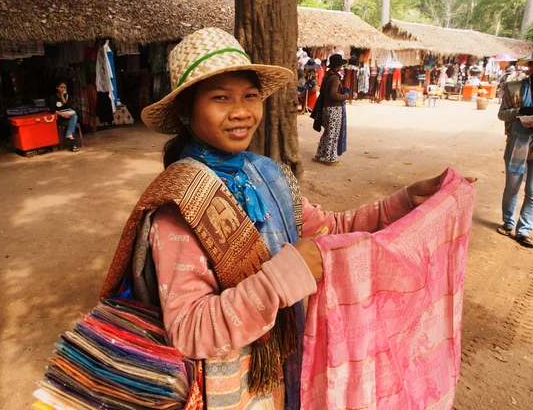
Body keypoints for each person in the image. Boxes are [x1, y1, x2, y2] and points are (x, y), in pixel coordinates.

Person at [100, 27, 466, 409]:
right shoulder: (178, 209)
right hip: (230, 386)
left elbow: (330, 228)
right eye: (220, 98)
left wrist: (405, 201)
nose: (241, 111)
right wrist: (284, 277)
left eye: (250, 96)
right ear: (185, 113)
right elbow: (191, 330)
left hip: (285, 366)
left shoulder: (267, 173)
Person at [497, 47, 533, 248]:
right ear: (530, 66)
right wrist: (519, 111)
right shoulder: (515, 87)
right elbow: (502, 114)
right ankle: (508, 223)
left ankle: (524, 230)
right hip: (518, 144)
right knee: (513, 187)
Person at [312, 54, 349, 166]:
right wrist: (345, 96)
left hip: (326, 108)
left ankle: (319, 154)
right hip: (334, 108)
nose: (342, 67)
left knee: (328, 132)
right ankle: (330, 158)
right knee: (333, 134)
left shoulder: (328, 76)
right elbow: (333, 95)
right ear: (337, 66)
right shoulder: (335, 78)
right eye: (341, 65)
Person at [48, 81, 79, 152]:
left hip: (69, 117)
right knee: (72, 124)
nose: (63, 89)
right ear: (57, 88)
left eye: (64, 87)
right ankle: (73, 144)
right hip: (61, 119)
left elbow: (67, 106)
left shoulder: (68, 96)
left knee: (74, 117)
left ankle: (69, 135)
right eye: (61, 87)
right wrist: (62, 114)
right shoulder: (53, 98)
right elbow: (53, 110)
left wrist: (62, 96)